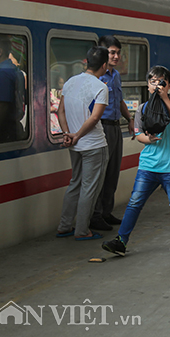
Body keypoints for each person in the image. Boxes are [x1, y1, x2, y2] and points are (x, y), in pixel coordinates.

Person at [101, 66, 170, 256]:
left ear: (169, 85)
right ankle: (121, 241)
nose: (156, 85)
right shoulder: (142, 108)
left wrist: (164, 99)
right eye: (153, 81)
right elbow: (138, 134)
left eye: (161, 81)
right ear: (148, 86)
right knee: (134, 202)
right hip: (148, 164)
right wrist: (149, 139)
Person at [56, 46, 110, 241]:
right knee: (89, 187)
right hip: (94, 145)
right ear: (104, 65)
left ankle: (64, 226)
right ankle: (82, 230)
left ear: (86, 62)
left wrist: (67, 134)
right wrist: (78, 135)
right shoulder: (101, 87)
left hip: (74, 145)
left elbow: (60, 111)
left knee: (75, 183)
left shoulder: (70, 82)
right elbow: (95, 118)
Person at [90, 36, 135, 232]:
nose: (116, 56)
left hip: (116, 127)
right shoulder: (97, 77)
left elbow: (119, 101)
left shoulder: (115, 75)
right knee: (101, 172)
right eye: (112, 52)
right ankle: (96, 214)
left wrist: (130, 119)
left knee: (113, 171)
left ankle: (107, 211)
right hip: (101, 127)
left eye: (118, 52)